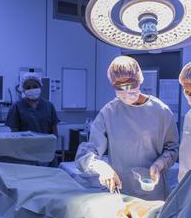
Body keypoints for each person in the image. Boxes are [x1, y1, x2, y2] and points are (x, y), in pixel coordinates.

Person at [75, 56, 179, 201]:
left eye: (131, 84)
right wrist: (101, 167)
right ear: (113, 84)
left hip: (154, 192)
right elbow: (87, 152)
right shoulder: (109, 112)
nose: (126, 90)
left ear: (139, 80)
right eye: (120, 86)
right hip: (120, 190)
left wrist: (160, 164)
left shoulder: (161, 111)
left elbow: (172, 148)